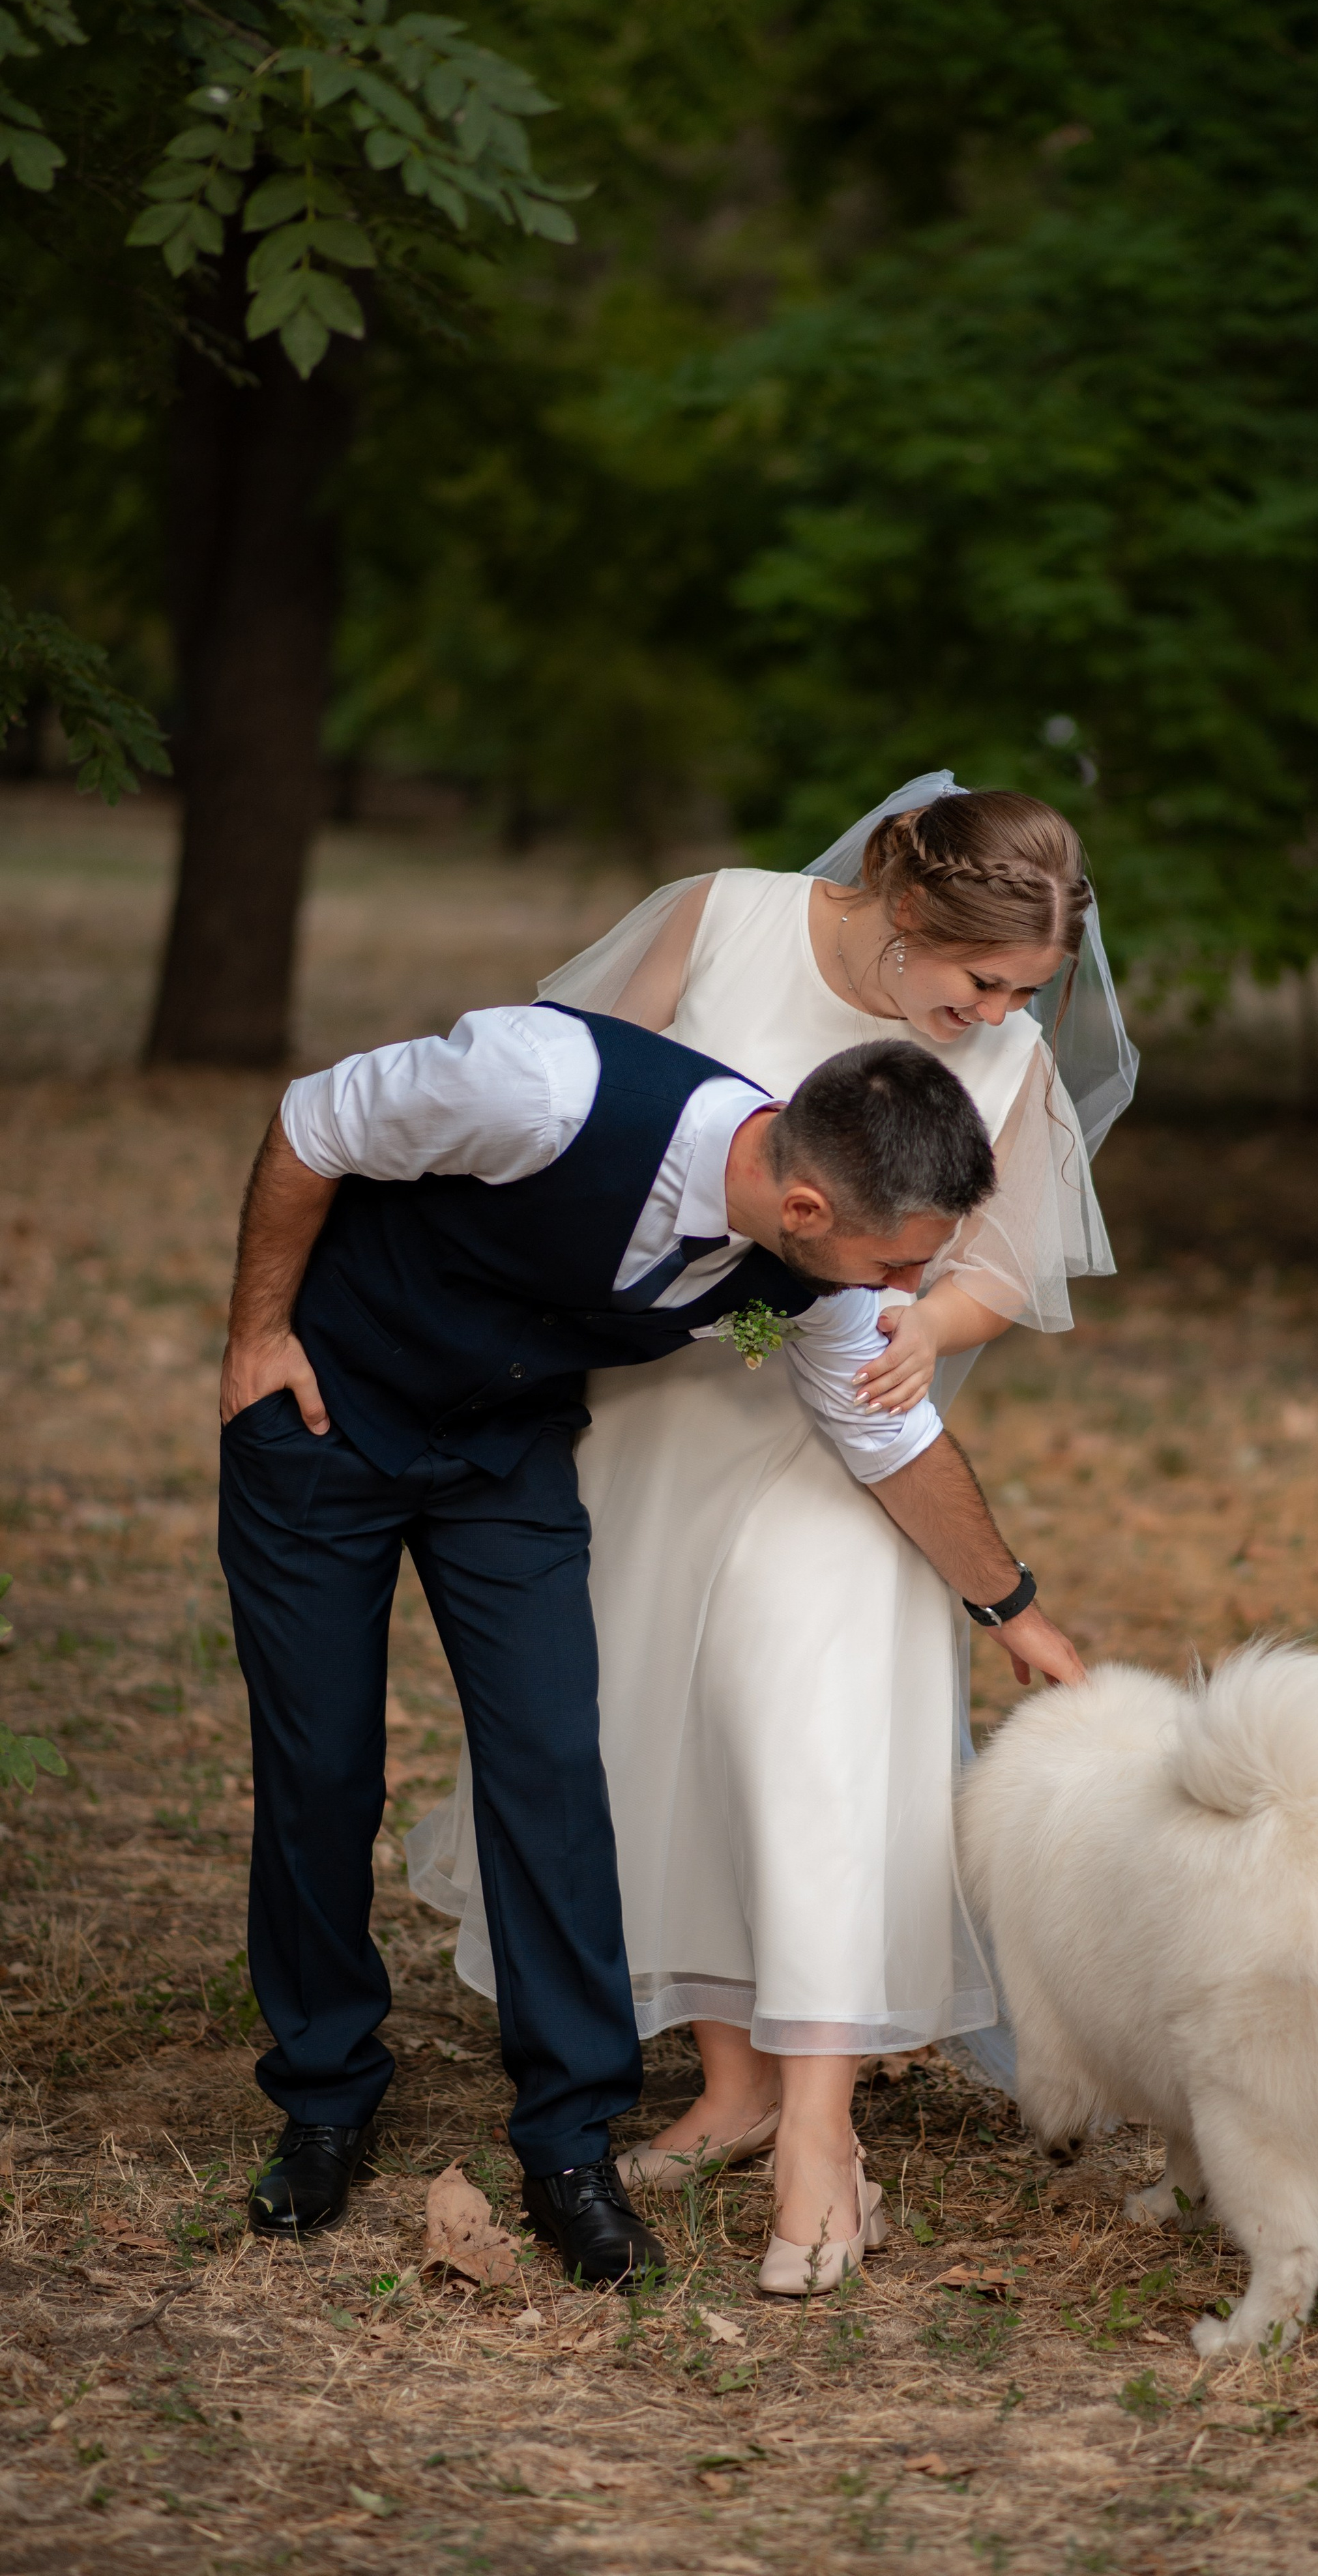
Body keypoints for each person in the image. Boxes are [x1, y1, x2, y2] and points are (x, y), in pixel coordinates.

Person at [218, 1007, 1081, 2293]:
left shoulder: (814, 1273)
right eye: (896, 1265)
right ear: (801, 1204)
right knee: (321, 1766)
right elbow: (310, 1124)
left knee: (562, 1767)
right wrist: (257, 1332)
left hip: (504, 1455)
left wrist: (1013, 1609)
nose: (907, 1296)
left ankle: (566, 2141)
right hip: (327, 1408)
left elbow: (888, 1440)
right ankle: (325, 2099)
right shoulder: (541, 1084)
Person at [408, 776, 1134, 2291]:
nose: (994, 1011)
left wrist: (919, 1322)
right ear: (901, 899)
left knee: (805, 1745)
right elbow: (597, 1109)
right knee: (653, 1732)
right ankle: (729, 2077)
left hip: (836, 1443)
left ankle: (822, 2130)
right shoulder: (723, 919)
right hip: (654, 1414)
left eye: (1023, 991)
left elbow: (1012, 1259)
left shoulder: (995, 1058)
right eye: (974, 978)